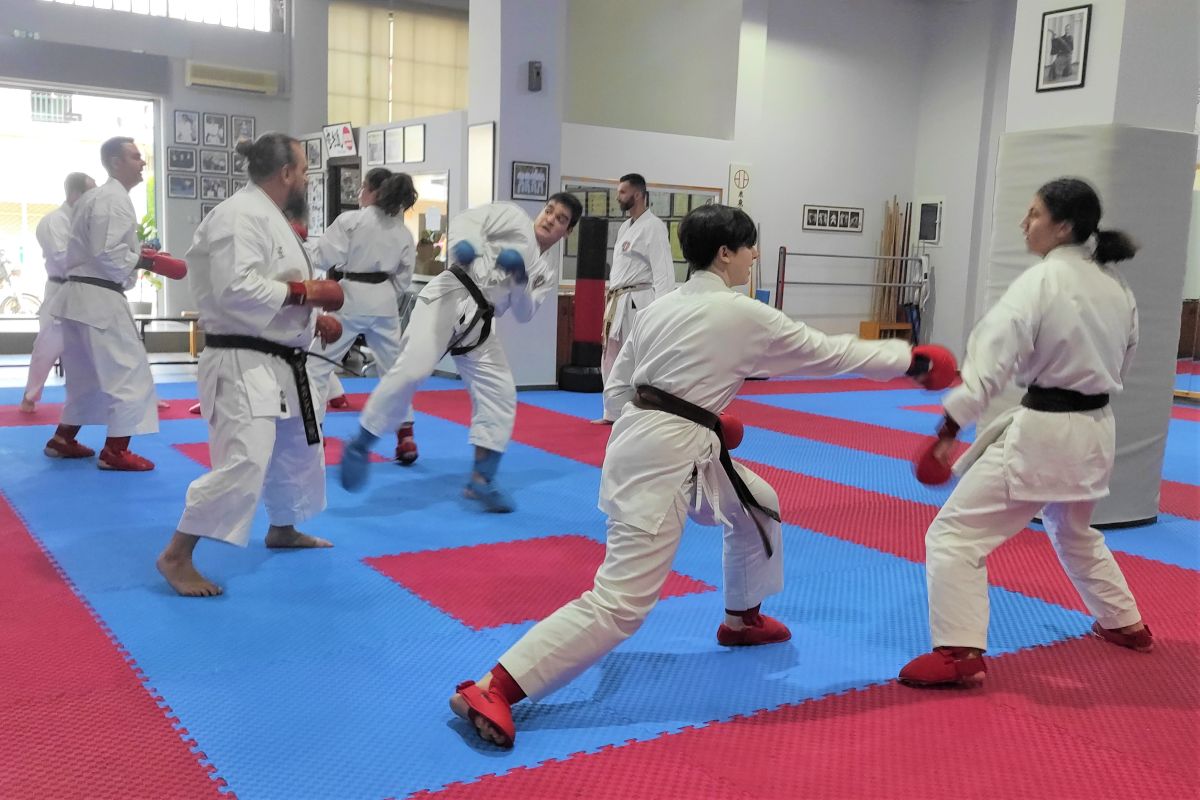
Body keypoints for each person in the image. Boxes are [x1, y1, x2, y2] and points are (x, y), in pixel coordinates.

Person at [448, 204, 958, 749]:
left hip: (662, 445)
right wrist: (911, 362)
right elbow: (830, 353)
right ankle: (495, 687)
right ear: (725, 253)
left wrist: (701, 418)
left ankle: (743, 618)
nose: (755, 255)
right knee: (621, 603)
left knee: (756, 503)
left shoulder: (660, 308)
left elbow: (618, 390)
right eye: (749, 246)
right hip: (662, 459)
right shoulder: (741, 313)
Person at [899, 178, 1151, 688]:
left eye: (1034, 214)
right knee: (1072, 531)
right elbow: (1125, 360)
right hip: (1095, 430)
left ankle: (959, 651)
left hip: (1045, 435)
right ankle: (1124, 622)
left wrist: (949, 427)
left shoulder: (1040, 283)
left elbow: (990, 364)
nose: (1024, 222)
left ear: (1063, 227)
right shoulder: (1116, 287)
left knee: (955, 535)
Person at [156, 132, 345, 597]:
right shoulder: (239, 215)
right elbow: (234, 289)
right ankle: (176, 555)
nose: (306, 180)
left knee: (296, 449)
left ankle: (283, 527)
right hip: (242, 361)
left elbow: (273, 284)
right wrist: (305, 293)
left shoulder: (270, 216)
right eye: (304, 171)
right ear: (286, 173)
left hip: (279, 359)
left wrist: (311, 319)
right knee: (245, 460)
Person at [340, 194, 583, 512]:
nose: (550, 219)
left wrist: (520, 279)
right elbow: (466, 221)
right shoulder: (512, 217)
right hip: (450, 294)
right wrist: (469, 248)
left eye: (561, 219)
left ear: (568, 231)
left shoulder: (545, 272)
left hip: (480, 321)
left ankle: (482, 479)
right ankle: (362, 442)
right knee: (413, 370)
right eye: (549, 211)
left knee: (500, 392)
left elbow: (524, 313)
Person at [40, 137, 185, 470]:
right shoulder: (113, 199)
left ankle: (62, 438)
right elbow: (107, 253)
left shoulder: (95, 198)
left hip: (78, 298)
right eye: (135, 157)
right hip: (99, 300)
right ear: (116, 162)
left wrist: (138, 255)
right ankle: (115, 451)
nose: (143, 162)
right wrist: (147, 261)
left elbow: (99, 248)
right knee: (130, 373)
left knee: (85, 377)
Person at [305, 168, 420, 463]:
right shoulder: (403, 232)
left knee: (315, 366)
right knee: (394, 371)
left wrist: (297, 246)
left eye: (362, 187)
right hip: (384, 301)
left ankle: (314, 433)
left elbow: (322, 257)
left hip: (350, 298)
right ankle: (406, 435)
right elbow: (404, 278)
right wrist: (383, 294)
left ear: (373, 192)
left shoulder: (352, 221)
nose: (358, 194)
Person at [593, 173, 676, 424]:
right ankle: (612, 412)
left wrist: (663, 311)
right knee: (610, 356)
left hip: (638, 302)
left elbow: (663, 272)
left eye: (622, 192)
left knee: (636, 357)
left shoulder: (654, 227)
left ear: (638, 194)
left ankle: (639, 410)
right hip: (617, 301)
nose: (618, 197)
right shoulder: (624, 227)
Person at [20, 172, 96, 413]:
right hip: (60, 290)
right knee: (47, 346)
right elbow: (62, 258)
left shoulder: (87, 222)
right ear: (75, 195)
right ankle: (29, 397)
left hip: (85, 290)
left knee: (104, 343)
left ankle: (136, 396)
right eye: (91, 192)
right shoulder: (54, 221)